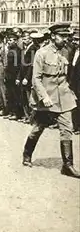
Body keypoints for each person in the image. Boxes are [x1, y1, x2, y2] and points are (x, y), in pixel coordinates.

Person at [24, 23, 79, 178]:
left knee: (67, 129)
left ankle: (68, 165)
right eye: (62, 36)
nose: (65, 39)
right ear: (53, 36)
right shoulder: (41, 53)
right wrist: (44, 97)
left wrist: (70, 91)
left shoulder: (67, 52)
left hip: (64, 96)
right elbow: (36, 79)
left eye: (67, 36)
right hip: (46, 97)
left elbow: (67, 75)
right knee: (38, 128)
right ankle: (27, 154)